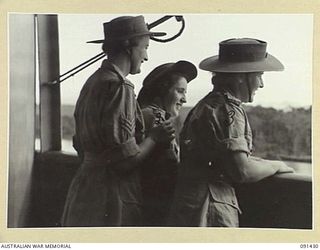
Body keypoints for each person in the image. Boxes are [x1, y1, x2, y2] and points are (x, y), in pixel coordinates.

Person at [61, 15, 176, 227]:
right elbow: (125, 161)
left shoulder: (93, 82)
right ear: (128, 47)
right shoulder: (120, 87)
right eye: (145, 48)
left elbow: (82, 146)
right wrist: (154, 137)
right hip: (111, 198)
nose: (147, 57)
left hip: (85, 188)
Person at [168, 38, 295, 227]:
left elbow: (228, 159)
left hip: (193, 205)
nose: (261, 84)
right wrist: (276, 166)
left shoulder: (208, 105)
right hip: (210, 210)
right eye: (259, 75)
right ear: (240, 76)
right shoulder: (228, 110)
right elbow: (242, 171)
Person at [137, 61, 198, 226]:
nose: (184, 99)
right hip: (152, 205)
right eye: (180, 91)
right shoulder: (156, 117)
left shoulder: (146, 113)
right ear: (162, 89)